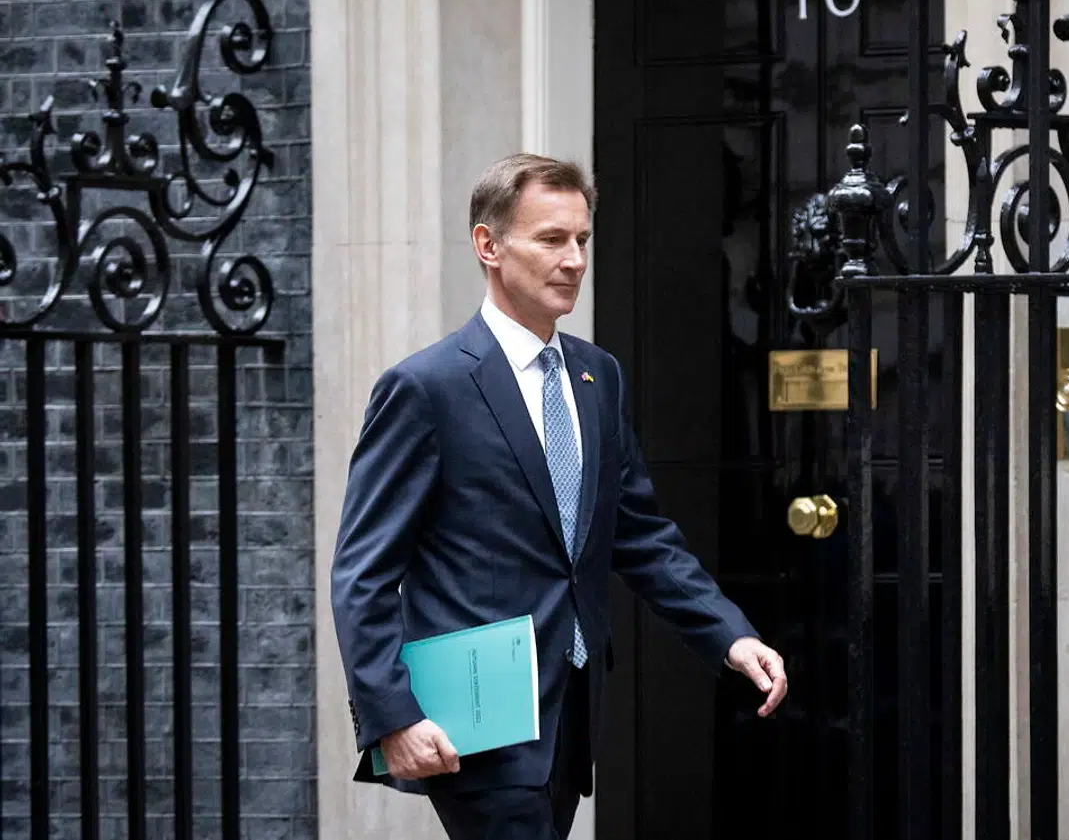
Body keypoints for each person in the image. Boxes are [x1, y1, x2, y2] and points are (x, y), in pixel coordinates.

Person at [330, 153, 788, 839]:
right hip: (476, 715)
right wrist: (392, 713)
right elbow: (362, 572)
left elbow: (638, 533)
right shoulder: (426, 388)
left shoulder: (596, 375)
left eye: (582, 239)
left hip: (571, 708)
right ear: (489, 245)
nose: (573, 258)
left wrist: (727, 632)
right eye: (551, 239)